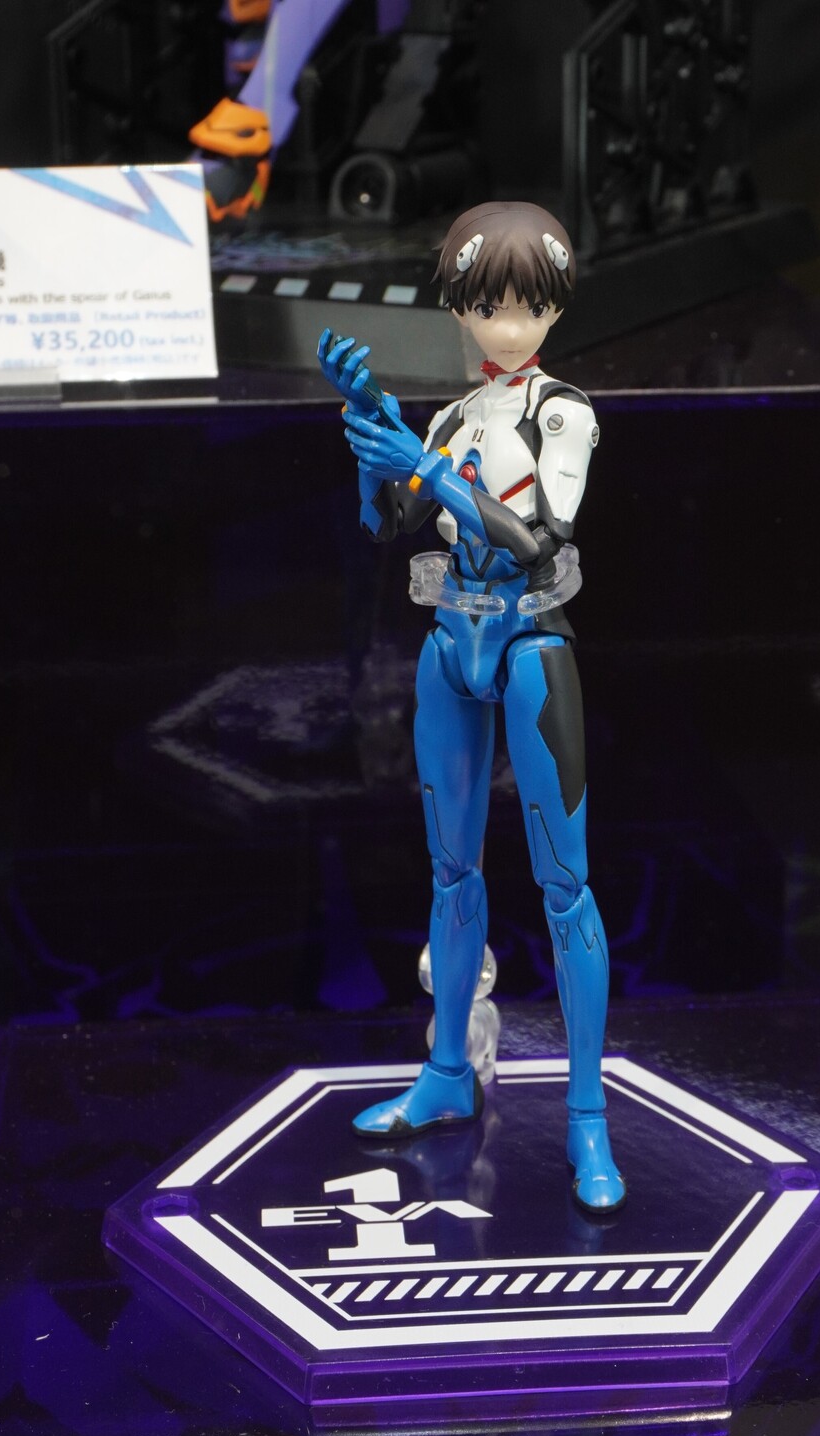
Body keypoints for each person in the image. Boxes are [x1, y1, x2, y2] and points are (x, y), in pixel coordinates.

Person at [317, 201, 624, 1212]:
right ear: (458, 304)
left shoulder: (561, 412)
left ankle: (586, 1117)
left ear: (555, 304)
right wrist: (373, 443)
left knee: (564, 887)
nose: (508, 323)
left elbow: (536, 539)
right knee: (452, 873)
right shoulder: (452, 419)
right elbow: (391, 525)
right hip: (451, 642)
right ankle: (448, 1070)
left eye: (528, 304)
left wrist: (420, 468)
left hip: (532, 641)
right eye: (489, 304)